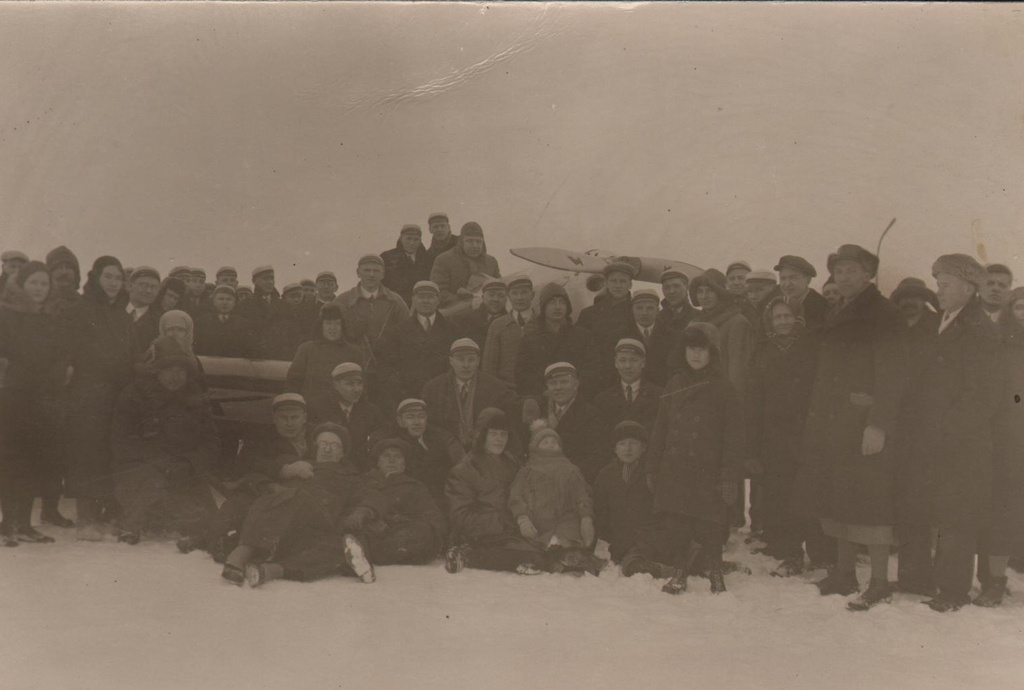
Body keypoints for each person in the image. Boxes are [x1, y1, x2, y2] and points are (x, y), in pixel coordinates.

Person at [790, 244, 907, 612]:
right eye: (838, 271)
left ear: (868, 274)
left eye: (851, 270)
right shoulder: (839, 309)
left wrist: (878, 424)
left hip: (862, 425)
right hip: (834, 422)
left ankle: (879, 582)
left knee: (871, 503)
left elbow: (892, 373)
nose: (843, 277)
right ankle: (844, 574)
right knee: (839, 497)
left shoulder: (883, 313)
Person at [897, 255, 1002, 613]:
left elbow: (981, 396)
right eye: (938, 284)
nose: (938, 291)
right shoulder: (938, 322)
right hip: (927, 436)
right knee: (920, 505)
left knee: (957, 515)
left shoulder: (980, 330)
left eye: (945, 285)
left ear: (969, 288)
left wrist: (945, 432)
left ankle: (953, 590)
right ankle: (915, 579)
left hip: (960, 443)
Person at [638, 323, 744, 595]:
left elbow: (733, 437)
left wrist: (729, 476)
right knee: (678, 524)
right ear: (682, 352)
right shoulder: (674, 384)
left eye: (702, 349)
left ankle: (716, 572)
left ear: (712, 353)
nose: (696, 355)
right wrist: (652, 467)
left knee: (711, 524)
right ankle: (680, 571)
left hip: (708, 469)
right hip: (676, 468)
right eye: (691, 349)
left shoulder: (724, 388)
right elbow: (660, 428)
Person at [222, 421, 384, 587]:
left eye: (334, 445)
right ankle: (245, 557)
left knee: (340, 546)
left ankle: (269, 569)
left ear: (343, 452)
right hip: (280, 526)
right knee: (279, 497)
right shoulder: (297, 465)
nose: (327, 449)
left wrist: (363, 511)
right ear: (315, 447)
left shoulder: (352, 478)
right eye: (323, 444)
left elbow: (373, 494)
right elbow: (253, 476)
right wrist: (273, 483)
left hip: (318, 525)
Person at [746, 297, 834, 576]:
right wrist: (752, 447)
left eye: (788, 316)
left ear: (798, 319)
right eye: (777, 317)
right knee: (781, 496)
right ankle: (790, 553)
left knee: (811, 494)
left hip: (808, 433)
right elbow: (753, 401)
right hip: (774, 437)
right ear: (769, 322)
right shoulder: (761, 352)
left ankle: (821, 553)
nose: (783, 322)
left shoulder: (812, 348)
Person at [109, 336, 219, 544]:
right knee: (148, 486)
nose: (175, 377)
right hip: (142, 467)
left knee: (207, 523)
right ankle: (134, 523)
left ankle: (172, 519)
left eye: (180, 371)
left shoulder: (196, 396)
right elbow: (122, 442)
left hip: (184, 468)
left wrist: (189, 463)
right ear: (156, 371)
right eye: (168, 370)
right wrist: (159, 461)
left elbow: (211, 441)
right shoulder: (134, 395)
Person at [65, 256, 137, 541]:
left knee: (110, 451)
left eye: (118, 278)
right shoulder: (80, 309)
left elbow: (130, 352)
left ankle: (105, 512)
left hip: (116, 393)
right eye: (108, 276)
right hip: (88, 393)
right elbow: (70, 349)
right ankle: (86, 518)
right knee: (87, 453)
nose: (114, 283)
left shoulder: (123, 315)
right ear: (96, 277)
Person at [0, 261, 68, 544]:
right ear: (21, 285)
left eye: (44, 283)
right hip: (11, 396)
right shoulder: (5, 314)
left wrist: (58, 374)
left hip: (41, 398)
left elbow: (59, 354)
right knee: (10, 459)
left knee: (32, 459)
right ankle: (7, 524)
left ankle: (24, 525)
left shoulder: (50, 317)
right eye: (33, 283)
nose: (39, 289)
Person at [444, 409, 551, 575]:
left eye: (503, 434)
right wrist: (503, 523)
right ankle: (467, 556)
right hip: (481, 535)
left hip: (510, 530)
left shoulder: (512, 463)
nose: (499, 439)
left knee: (549, 551)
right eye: (493, 434)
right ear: (482, 436)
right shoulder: (465, 469)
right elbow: (460, 515)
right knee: (535, 558)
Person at [975, 287, 1024, 606]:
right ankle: (994, 580)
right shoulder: (1001, 346)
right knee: (1002, 513)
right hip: (1009, 441)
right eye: (1020, 307)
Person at [508, 425, 604, 575]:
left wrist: (586, 519)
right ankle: (554, 561)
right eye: (545, 442)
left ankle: (574, 560)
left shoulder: (571, 470)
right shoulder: (527, 471)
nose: (551, 445)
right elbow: (516, 497)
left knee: (570, 546)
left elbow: (582, 495)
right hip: (538, 525)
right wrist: (522, 519)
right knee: (534, 553)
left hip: (567, 524)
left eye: (554, 442)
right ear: (535, 447)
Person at [330, 254, 409, 407]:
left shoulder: (395, 301)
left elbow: (407, 335)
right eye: (366, 270)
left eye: (376, 271)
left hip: (387, 370)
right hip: (353, 369)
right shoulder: (342, 301)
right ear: (358, 273)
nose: (371, 275)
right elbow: (330, 335)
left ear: (383, 274)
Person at [361, 438, 447, 566]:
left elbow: (433, 517)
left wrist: (404, 522)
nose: (391, 460)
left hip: (400, 534)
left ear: (404, 464)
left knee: (422, 532)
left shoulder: (414, 487)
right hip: (369, 530)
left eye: (397, 457)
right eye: (386, 456)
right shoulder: (362, 483)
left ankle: (366, 554)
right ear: (378, 461)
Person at [421, 338, 517, 451]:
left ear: (478, 361)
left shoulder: (495, 387)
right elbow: (429, 424)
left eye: (471, 360)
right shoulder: (433, 388)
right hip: (445, 451)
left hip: (484, 450)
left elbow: (510, 414)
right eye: (460, 359)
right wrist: (450, 442)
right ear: (451, 361)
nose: (466, 365)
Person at [521, 362, 607, 485]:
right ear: (547, 387)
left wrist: (568, 478)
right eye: (553, 383)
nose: (558, 387)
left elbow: (597, 457)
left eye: (564, 382)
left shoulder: (591, 415)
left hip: (573, 483)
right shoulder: (539, 411)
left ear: (576, 384)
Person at [367, 398, 463, 506]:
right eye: (410, 417)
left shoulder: (439, 437)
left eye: (421, 417)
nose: (417, 422)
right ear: (400, 421)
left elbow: (459, 461)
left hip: (439, 497)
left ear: (426, 418)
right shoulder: (393, 442)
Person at [378, 280, 459, 402]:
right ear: (413, 300)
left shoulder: (452, 330)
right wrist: (400, 392)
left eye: (430, 297)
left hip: (444, 395)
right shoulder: (399, 331)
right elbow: (388, 367)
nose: (425, 301)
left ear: (438, 300)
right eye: (421, 297)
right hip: (410, 395)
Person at [514, 282, 596, 398]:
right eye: (552, 302)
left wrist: (574, 389)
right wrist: (544, 392)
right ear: (543, 307)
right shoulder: (530, 339)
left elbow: (592, 368)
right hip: (542, 399)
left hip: (577, 397)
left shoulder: (583, 336)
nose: (558, 307)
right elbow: (523, 373)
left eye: (562, 302)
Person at [593, 421, 655, 564]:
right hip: (616, 542)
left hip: (646, 541)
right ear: (615, 449)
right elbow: (600, 511)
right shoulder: (605, 474)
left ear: (643, 447)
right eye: (622, 444)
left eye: (633, 443)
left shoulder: (651, 473)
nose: (627, 448)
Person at [307, 362, 386, 470]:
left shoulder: (370, 410)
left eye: (359, 383)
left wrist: (373, 441)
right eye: (350, 384)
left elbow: (383, 430)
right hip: (327, 467)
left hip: (360, 468)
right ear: (336, 385)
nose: (357, 389)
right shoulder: (317, 408)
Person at [285, 303, 363, 410]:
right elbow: (293, 382)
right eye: (328, 323)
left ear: (343, 327)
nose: (332, 328)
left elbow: (361, 386)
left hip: (342, 409)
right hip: (311, 408)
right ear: (321, 326)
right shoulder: (306, 349)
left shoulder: (353, 352)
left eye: (337, 324)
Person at [606, 288, 676, 388]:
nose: (644, 313)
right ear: (632, 310)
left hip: (662, 389)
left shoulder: (672, 336)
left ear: (658, 310)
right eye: (639, 308)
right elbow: (611, 369)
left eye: (650, 308)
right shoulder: (618, 335)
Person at [593, 339, 663, 434]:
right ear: (616, 363)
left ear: (643, 363)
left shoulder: (659, 396)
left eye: (633, 360)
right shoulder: (602, 399)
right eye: (622, 360)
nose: (627, 366)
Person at [482, 274, 536, 389]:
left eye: (524, 292)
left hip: (536, 389)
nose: (519, 298)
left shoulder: (541, 323)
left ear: (533, 295)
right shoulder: (497, 325)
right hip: (505, 389)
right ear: (508, 296)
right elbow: (488, 365)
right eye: (514, 293)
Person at [430, 222, 501, 307]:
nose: (474, 245)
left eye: (478, 241)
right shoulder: (443, 260)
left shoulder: (491, 262)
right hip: (453, 311)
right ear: (461, 242)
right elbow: (437, 291)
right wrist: (463, 300)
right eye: (469, 241)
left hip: (486, 310)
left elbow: (499, 288)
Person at [576, 261, 636, 344]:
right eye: (613, 281)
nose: (618, 286)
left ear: (630, 284)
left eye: (623, 281)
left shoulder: (638, 314)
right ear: (607, 283)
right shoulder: (588, 314)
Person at [193, 285, 258, 358]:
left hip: (235, 363)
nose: (225, 302)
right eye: (221, 299)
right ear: (214, 301)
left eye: (229, 299)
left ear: (234, 302)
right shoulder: (202, 322)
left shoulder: (244, 323)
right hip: (208, 363)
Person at [261, 282, 317, 361]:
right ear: (284, 298)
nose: (296, 300)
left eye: (299, 296)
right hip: (280, 358)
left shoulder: (309, 316)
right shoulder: (277, 316)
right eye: (292, 296)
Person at [452, 276, 507, 353]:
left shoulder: (510, 322)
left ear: (506, 299)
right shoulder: (463, 319)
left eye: (501, 296)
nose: (495, 299)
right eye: (491, 295)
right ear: (483, 297)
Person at [381, 224, 431, 306]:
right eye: (408, 238)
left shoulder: (428, 259)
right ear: (401, 239)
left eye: (416, 239)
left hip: (421, 305)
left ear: (420, 241)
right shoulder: (387, 257)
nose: (412, 243)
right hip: (394, 304)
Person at [776, 255, 829, 330]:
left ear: (808, 280)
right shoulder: (775, 305)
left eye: (793, 278)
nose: (787, 284)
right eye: (783, 278)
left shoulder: (821, 307)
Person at [124, 266, 162, 352]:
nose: (149, 291)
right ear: (130, 286)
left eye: (154, 287)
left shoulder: (158, 322)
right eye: (144, 285)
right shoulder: (113, 313)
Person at [656, 269, 698, 336]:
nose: (671, 291)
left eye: (676, 286)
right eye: (667, 287)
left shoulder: (698, 317)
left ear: (687, 287)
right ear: (662, 290)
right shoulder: (657, 318)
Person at [45, 245, 82, 317]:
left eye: (69, 267)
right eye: (58, 267)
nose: (64, 272)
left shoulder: (87, 306)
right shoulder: (39, 306)